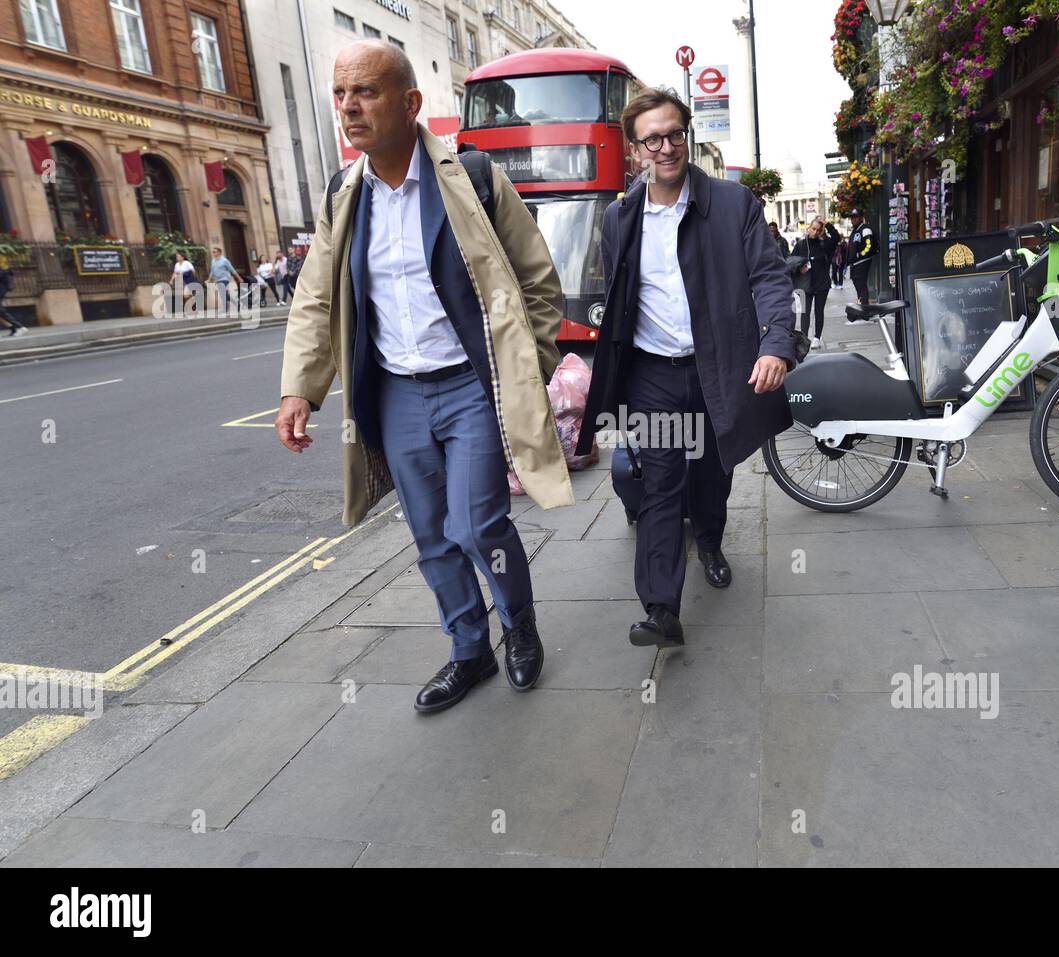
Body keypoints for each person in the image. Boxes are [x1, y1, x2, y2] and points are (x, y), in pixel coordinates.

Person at [277, 39, 572, 714]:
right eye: (341, 94)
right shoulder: (342, 196)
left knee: (479, 526)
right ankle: (469, 649)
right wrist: (299, 387)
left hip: (471, 384)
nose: (350, 108)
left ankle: (518, 626)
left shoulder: (470, 177)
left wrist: (534, 368)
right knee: (432, 536)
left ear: (411, 103)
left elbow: (537, 279)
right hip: (397, 393)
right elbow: (316, 298)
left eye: (367, 92)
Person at [575, 87, 797, 649]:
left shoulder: (733, 203)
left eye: (675, 134)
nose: (667, 147)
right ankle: (660, 609)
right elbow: (620, 292)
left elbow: (769, 277)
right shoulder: (619, 216)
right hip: (652, 373)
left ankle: (713, 541)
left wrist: (775, 344)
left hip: (717, 367)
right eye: (653, 139)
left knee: (711, 471)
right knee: (660, 484)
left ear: (686, 136)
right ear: (636, 150)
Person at [790, 217, 841, 349]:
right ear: (808, 229)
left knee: (819, 311)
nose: (815, 232)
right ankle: (804, 338)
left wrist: (827, 224)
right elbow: (790, 261)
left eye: (818, 230)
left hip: (822, 283)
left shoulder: (824, 244)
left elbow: (836, 238)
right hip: (805, 284)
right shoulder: (801, 244)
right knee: (804, 312)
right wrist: (799, 268)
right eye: (813, 229)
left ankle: (817, 337)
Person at [847, 209, 875, 304]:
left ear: (861, 218)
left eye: (856, 217)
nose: (853, 219)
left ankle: (865, 307)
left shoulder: (865, 229)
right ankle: (861, 304)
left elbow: (869, 245)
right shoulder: (855, 230)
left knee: (861, 285)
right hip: (855, 263)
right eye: (852, 217)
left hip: (862, 262)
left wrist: (860, 254)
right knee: (858, 285)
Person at [0, 264, 26, 336]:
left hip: (1, 291)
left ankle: (19, 326)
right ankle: (14, 328)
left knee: (1, 312)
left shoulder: (3, 269)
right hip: (2, 290)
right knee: (1, 312)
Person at [208, 246, 238, 310]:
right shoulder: (213, 261)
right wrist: (209, 279)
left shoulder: (224, 260)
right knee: (224, 294)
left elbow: (232, 269)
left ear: (219, 253)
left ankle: (225, 308)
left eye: (214, 252)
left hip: (225, 278)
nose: (213, 253)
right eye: (213, 252)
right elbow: (212, 271)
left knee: (223, 293)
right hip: (217, 279)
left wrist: (239, 278)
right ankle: (236, 303)